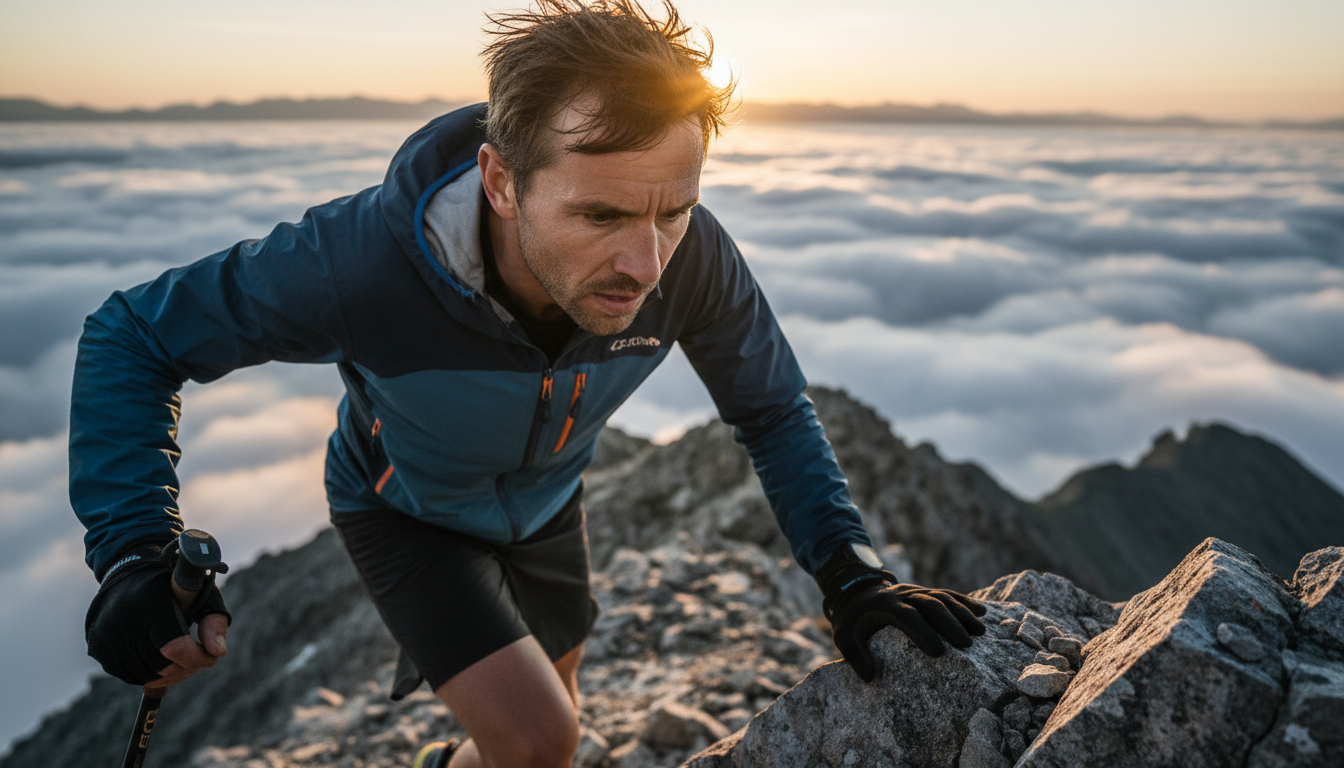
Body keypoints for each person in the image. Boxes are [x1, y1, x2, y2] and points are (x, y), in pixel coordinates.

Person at [71, 1, 987, 766]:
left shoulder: (694, 261)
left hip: (548, 507)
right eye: (601, 212)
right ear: (501, 182)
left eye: (677, 208)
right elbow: (132, 336)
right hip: (407, 515)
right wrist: (133, 550)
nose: (646, 262)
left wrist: (850, 574)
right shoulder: (361, 265)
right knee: (543, 740)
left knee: (558, 720)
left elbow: (772, 409)